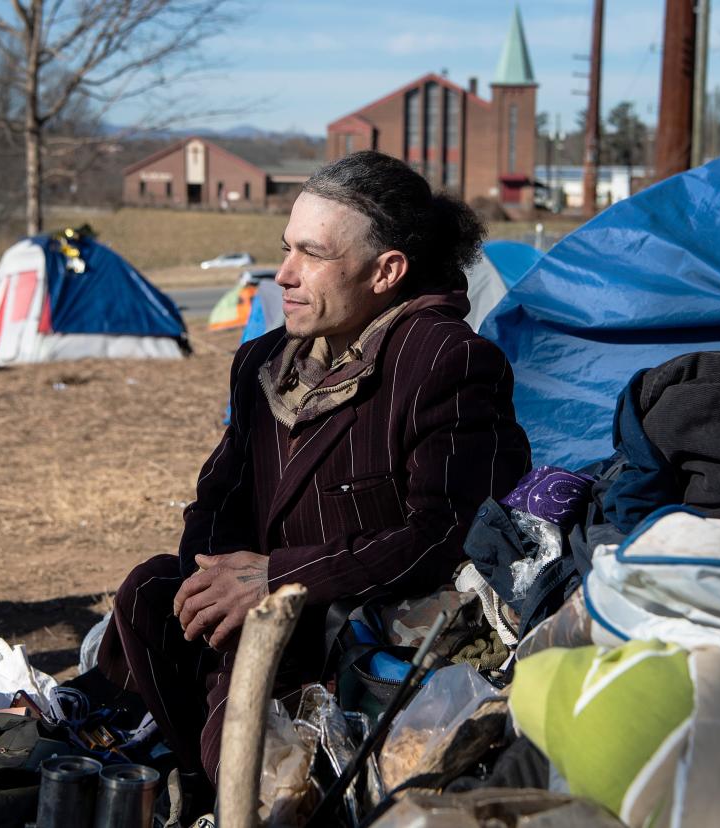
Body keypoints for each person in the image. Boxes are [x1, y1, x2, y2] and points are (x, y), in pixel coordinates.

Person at [96, 150, 532, 793]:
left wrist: (277, 579)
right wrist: (210, 579)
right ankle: (198, 777)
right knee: (152, 593)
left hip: (349, 636)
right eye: (286, 248)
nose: (284, 274)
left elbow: (446, 532)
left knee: (254, 783)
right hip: (250, 624)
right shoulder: (265, 363)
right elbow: (219, 496)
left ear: (387, 271)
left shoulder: (448, 361)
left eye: (313, 254)